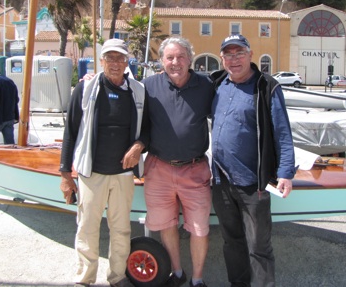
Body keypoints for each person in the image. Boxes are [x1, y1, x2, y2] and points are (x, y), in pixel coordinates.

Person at [209, 34, 297, 287]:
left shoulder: (266, 86)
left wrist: (285, 172)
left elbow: (282, 132)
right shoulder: (217, 83)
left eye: (239, 53)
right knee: (232, 242)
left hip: (253, 183)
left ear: (250, 55)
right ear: (222, 58)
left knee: (258, 246)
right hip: (221, 180)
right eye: (228, 54)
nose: (234, 59)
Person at [59, 38, 146, 287]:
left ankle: (117, 277)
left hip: (123, 175)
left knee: (121, 230)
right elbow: (70, 132)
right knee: (87, 228)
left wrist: (139, 146)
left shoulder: (138, 91)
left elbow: (147, 129)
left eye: (120, 58)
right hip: (91, 173)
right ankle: (84, 278)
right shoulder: (85, 88)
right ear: (101, 61)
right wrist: (65, 174)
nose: (115, 63)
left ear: (127, 61)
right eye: (110, 58)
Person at [140, 37, 213, 287]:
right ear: (161, 61)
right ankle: (178, 273)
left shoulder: (206, 85)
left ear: (190, 59)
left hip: (195, 169)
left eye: (181, 56)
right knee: (165, 224)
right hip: (158, 168)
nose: (175, 62)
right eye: (169, 57)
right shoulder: (148, 86)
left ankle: (197, 279)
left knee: (200, 228)